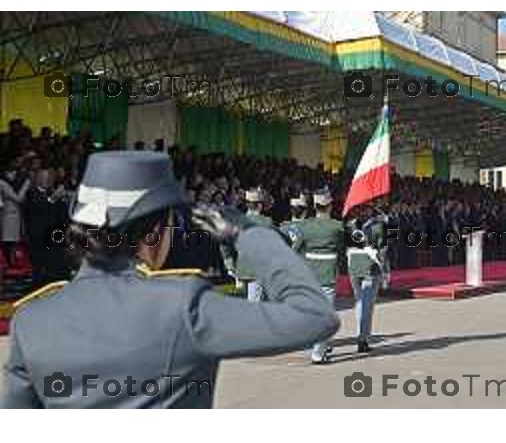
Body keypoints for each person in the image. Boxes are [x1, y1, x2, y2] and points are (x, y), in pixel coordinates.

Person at [0, 151, 339, 409]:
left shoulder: (32, 320)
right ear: (156, 233)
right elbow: (315, 316)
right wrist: (249, 235)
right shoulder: (183, 307)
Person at [296, 188, 344, 364]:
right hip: (328, 273)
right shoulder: (336, 226)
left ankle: (321, 344)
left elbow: (296, 249)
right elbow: (342, 249)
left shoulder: (305, 225)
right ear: (329, 205)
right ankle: (318, 352)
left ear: (315, 206)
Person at [346, 206, 386, 353]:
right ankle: (362, 338)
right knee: (367, 305)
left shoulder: (350, 225)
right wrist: (385, 270)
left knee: (359, 302)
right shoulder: (378, 226)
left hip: (354, 266)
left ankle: (361, 334)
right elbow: (383, 248)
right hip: (371, 266)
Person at [234, 188, 273, 301]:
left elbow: (225, 244)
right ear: (260, 205)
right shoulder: (266, 222)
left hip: (242, 267)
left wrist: (230, 265)